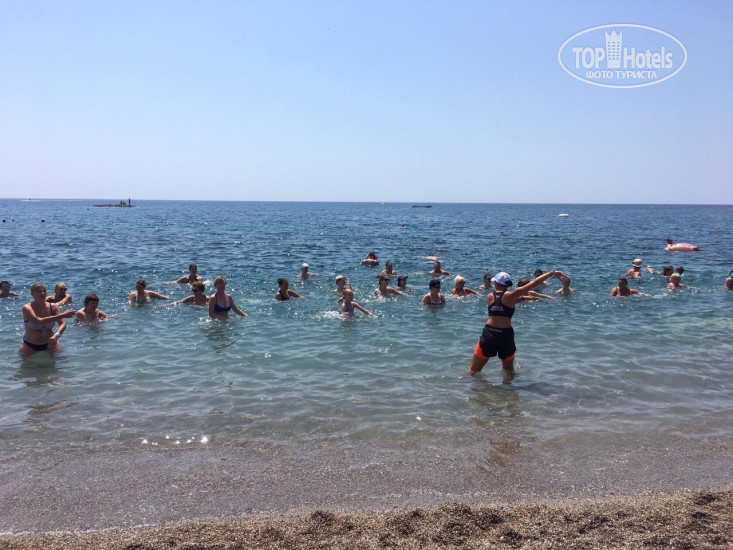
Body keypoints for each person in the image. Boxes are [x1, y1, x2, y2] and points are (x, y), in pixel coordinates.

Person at [467, 270, 568, 378]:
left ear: (496, 283)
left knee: (473, 371)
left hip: (489, 334)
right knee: (509, 372)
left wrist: (522, 298)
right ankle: (508, 388)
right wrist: (551, 273)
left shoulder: (490, 296)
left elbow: (500, 304)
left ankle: (469, 386)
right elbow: (534, 283)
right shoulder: (512, 295)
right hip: (506, 335)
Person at [19, 282, 76, 358]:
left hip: (51, 343)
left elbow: (63, 324)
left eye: (44, 291)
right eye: (39, 291)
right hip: (30, 345)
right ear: (32, 293)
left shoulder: (53, 307)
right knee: (27, 365)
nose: (43, 293)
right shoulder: (27, 307)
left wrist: (56, 336)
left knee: (59, 364)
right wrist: (63, 315)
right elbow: (39, 321)